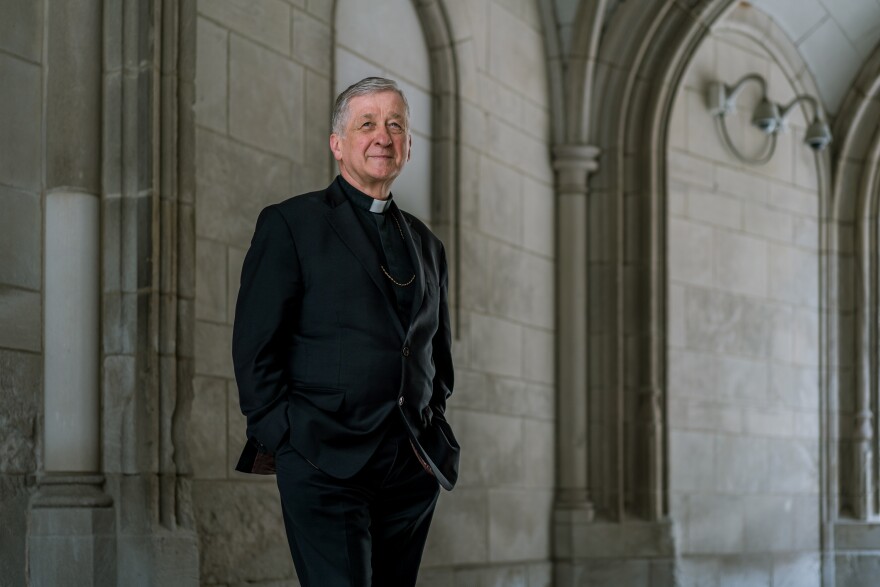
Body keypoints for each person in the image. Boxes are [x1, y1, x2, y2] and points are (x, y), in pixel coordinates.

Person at [231, 76, 459, 587]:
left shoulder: (428, 245)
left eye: (395, 124)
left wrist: (432, 421)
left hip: (409, 464)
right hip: (323, 458)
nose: (384, 135)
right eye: (368, 124)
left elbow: (436, 352)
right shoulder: (291, 224)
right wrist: (286, 440)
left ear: (408, 145)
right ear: (338, 144)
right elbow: (254, 346)